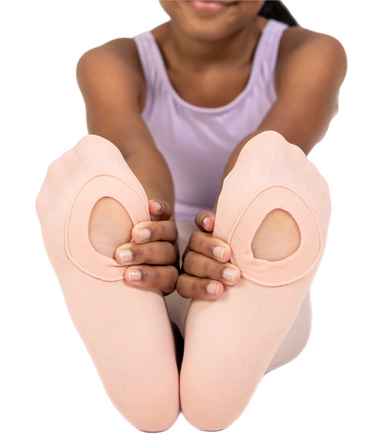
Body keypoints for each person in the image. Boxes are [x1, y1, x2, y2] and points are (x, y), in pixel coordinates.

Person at [36, 0, 347, 433]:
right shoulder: (111, 61)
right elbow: (136, 152)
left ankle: (174, 367)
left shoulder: (310, 53)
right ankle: (193, 368)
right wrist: (153, 232)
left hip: (239, 257)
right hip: (157, 260)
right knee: (132, 214)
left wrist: (219, 242)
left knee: (265, 182)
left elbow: (264, 152)